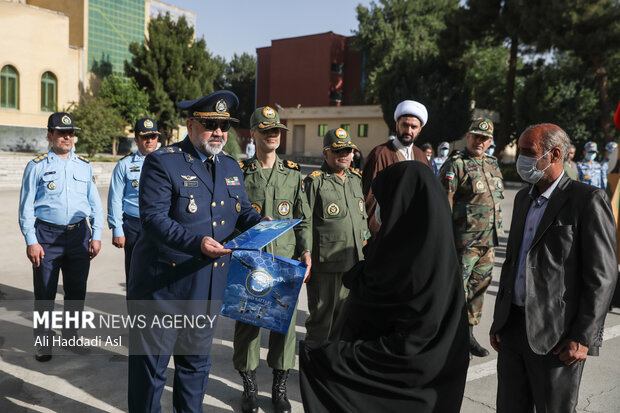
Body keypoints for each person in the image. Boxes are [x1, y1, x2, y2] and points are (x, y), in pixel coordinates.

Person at [126, 91, 263, 413]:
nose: (219, 132)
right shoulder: (164, 161)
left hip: (207, 286)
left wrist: (260, 222)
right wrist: (196, 243)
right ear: (190, 125)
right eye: (210, 125)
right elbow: (154, 218)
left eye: (224, 126)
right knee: (151, 372)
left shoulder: (230, 166)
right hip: (164, 287)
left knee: (195, 367)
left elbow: (241, 210)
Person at [299, 162, 469, 413]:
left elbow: (412, 346)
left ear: (402, 202)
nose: (376, 209)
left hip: (400, 388)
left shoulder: (420, 267)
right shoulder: (399, 246)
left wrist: (332, 357)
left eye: (381, 201)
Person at [490, 123, 617, 413]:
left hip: (557, 337)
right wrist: (501, 320)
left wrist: (583, 337)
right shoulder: (524, 198)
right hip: (513, 330)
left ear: (555, 153)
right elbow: (513, 261)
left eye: (527, 152)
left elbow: (602, 277)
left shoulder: (586, 200)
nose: (521, 159)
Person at [233, 106, 312, 413]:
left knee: (284, 326)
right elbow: (232, 218)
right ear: (253, 133)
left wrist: (306, 251)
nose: (273, 135)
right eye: (266, 130)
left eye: (276, 130)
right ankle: (249, 388)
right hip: (253, 264)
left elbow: (302, 219)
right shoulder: (240, 174)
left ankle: (279, 389)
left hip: (285, 264)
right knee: (248, 326)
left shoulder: (293, 174)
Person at [19, 112, 104, 362]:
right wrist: (31, 240)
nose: (67, 137)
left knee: (76, 291)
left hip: (79, 235)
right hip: (46, 236)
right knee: (45, 292)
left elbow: (95, 204)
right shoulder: (37, 166)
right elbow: (25, 206)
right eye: (61, 132)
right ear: (50, 135)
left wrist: (96, 234)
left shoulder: (84, 166)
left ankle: (70, 336)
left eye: (71, 133)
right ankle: (44, 343)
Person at [439, 119, 503, 358]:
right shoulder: (455, 165)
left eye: (485, 138)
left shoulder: (492, 164)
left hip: (488, 243)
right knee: (456, 293)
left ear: (490, 141)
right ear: (467, 136)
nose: (480, 141)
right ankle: (448, 341)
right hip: (463, 244)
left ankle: (468, 337)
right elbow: (444, 204)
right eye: (476, 136)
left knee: (478, 291)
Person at [303, 128, 369, 343]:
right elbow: (305, 222)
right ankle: (315, 369)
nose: (344, 155)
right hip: (327, 265)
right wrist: (306, 256)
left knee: (348, 320)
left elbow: (362, 218)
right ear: (325, 154)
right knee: (323, 321)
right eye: (338, 150)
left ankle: (337, 368)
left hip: (355, 262)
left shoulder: (355, 179)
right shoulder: (316, 181)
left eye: (348, 150)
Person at [362, 100, 431, 238]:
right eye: (405, 125)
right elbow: (369, 197)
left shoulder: (421, 156)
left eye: (413, 127)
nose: (408, 130)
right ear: (397, 125)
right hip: (385, 232)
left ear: (420, 129)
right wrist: (374, 235)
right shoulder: (380, 153)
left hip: (413, 232)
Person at [107, 117, 160, 283]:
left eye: (153, 136)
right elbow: (115, 198)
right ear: (136, 139)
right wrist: (117, 229)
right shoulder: (125, 165)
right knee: (134, 275)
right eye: (145, 137)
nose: (149, 140)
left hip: (161, 225)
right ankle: (134, 309)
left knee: (159, 274)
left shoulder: (168, 162)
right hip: (134, 225)